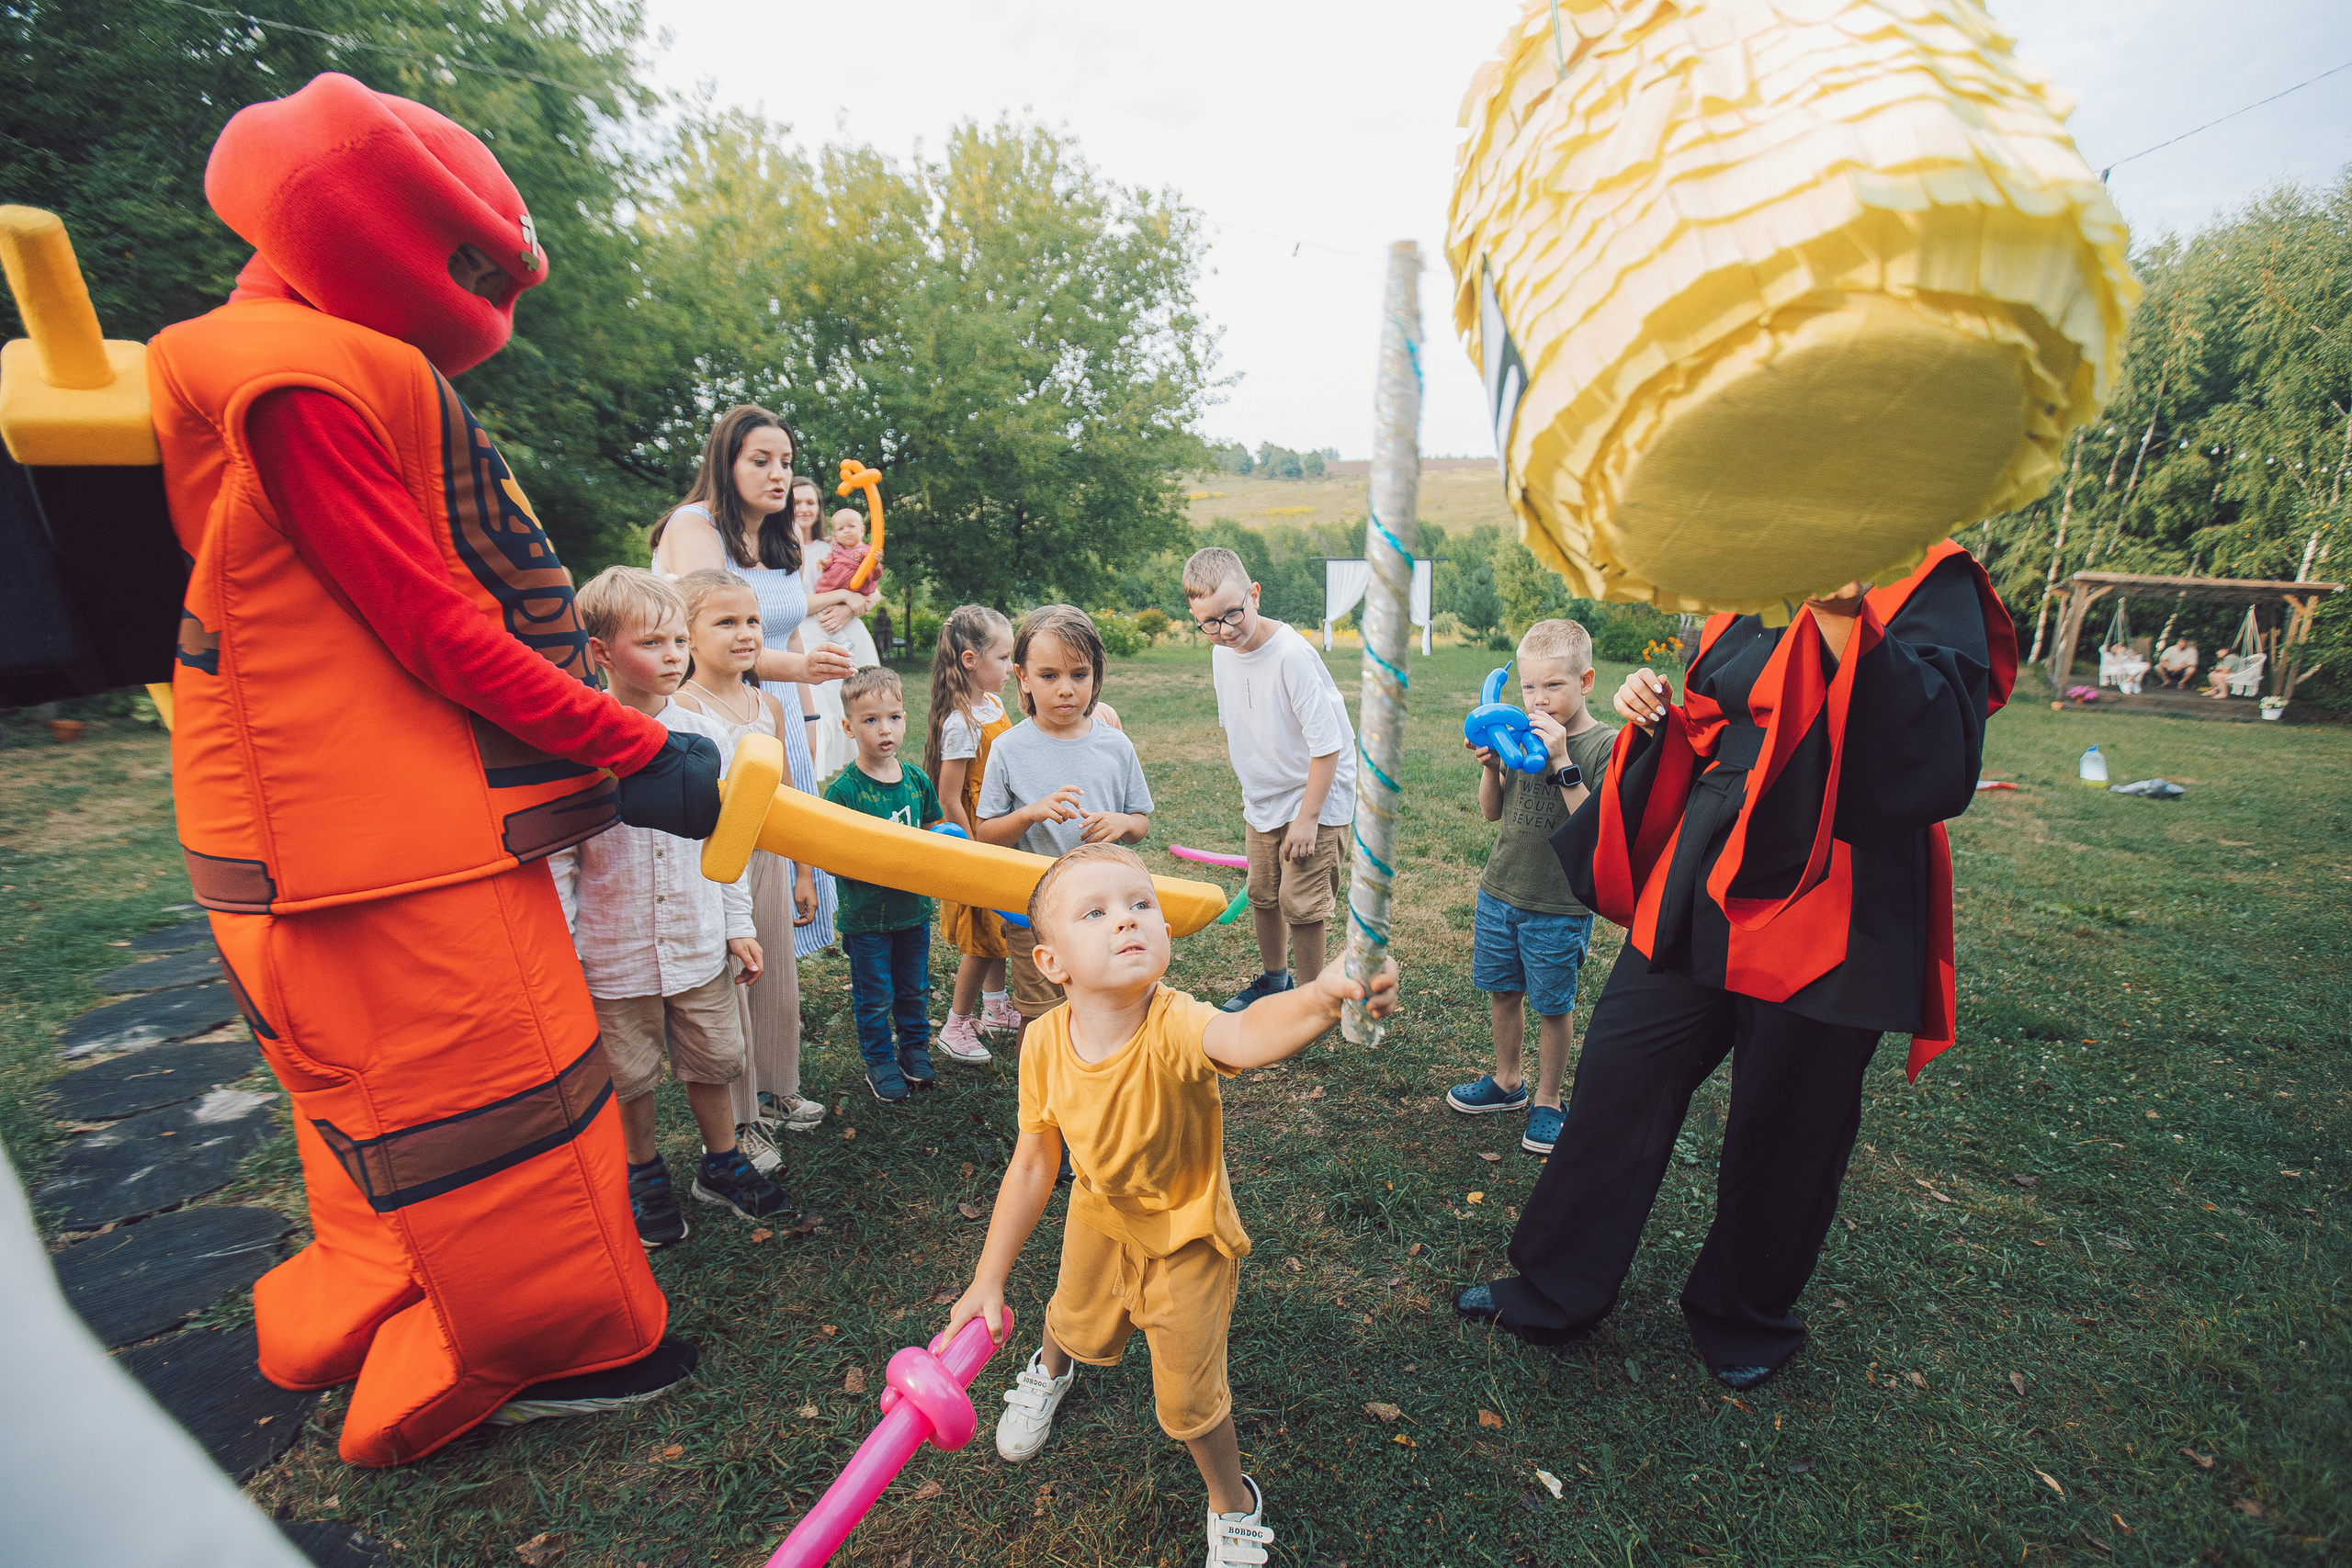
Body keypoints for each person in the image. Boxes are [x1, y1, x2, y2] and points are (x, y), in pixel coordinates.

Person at [151, 72, 703, 1465]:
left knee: (367, 1116)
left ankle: (370, 1292)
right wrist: (636, 744)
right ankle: (545, 1348)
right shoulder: (312, 377)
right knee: (501, 1110)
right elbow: (436, 627)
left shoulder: (226, 350)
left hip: (289, 832)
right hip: (388, 852)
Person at [1453, 540, 2015, 1393]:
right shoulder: (1749, 568)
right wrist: (1660, 710)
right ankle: (1555, 1282)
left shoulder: (1928, 573)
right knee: (1623, 1068)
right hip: (1708, 864)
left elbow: (1938, 746)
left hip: (1839, 878)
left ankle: (1742, 1309)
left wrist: (1841, 615)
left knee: (1791, 1112)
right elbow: (1729, 716)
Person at [944, 844, 1396, 1567]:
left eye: (1140, 904)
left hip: (1186, 1236)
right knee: (1069, 1312)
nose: (1126, 919)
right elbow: (1034, 1160)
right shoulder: (1040, 1043)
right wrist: (988, 1276)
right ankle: (1049, 1371)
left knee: (1190, 1401)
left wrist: (1319, 994)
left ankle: (1233, 1502)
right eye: (1096, 912)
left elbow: (1244, 1034)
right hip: (1096, 1213)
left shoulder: (1176, 1022)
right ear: (1053, 963)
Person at [549, 570, 793, 1245]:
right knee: (628, 1073)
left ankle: (720, 1163)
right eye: (650, 641)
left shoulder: (706, 738)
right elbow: (561, 858)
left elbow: (728, 840)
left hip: (696, 937)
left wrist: (738, 925)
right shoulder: (576, 743)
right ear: (600, 652)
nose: (672, 655)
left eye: (679, 639)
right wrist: (565, 948)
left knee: (714, 1058)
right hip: (612, 946)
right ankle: (644, 1168)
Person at [650, 412, 846, 957]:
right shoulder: (694, 527)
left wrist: (807, 720)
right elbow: (715, 636)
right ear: (725, 462)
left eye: (785, 463)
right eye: (760, 462)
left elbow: (789, 635)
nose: (778, 475)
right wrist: (801, 671)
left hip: (776, 708)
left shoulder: (782, 540)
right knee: (732, 849)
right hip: (714, 709)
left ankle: (772, 991)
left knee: (788, 838)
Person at [669, 569, 828, 1159]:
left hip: (769, 863)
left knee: (777, 978)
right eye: (726, 622)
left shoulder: (768, 704)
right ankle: (739, 1119)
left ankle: (776, 1088)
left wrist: (804, 870)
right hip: (717, 869)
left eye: (753, 621)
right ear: (686, 634)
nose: (745, 634)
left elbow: (784, 793)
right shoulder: (682, 708)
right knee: (734, 984)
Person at [1447, 619, 1617, 1156]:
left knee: (1552, 1005)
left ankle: (1547, 1100)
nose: (1538, 700)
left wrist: (1563, 761)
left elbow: (1596, 831)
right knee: (1503, 992)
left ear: (1585, 681)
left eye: (1554, 686)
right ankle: (1506, 1081)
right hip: (1501, 891)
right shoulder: (1518, 733)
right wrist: (1493, 768)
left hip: (1558, 905)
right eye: (1528, 687)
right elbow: (1493, 813)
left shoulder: (1602, 745)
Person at [1181, 547, 1357, 1013]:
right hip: (1264, 799)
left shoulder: (1291, 655)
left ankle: (1311, 1000)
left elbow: (1327, 746)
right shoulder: (1223, 655)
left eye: (1234, 612)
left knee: (1302, 903)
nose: (1225, 629)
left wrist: (1307, 820)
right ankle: (1276, 980)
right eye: (1209, 623)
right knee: (1263, 893)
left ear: (1254, 594)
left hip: (1315, 797)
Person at [976, 607, 1155, 1043]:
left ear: (1096, 675)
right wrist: (1028, 813)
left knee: (1116, 1008)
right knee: (1041, 1018)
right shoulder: (1008, 748)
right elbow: (985, 833)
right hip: (1036, 913)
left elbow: (1140, 822)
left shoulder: (1115, 745)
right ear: (1022, 677)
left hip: (1110, 911)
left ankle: (1108, 1088)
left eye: (1079, 674)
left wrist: (1121, 823)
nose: (1065, 690)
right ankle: (1038, 1106)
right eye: (1049, 676)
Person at [822, 666, 945, 1100]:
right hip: (866, 918)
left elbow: (935, 831)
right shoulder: (844, 793)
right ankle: (879, 1059)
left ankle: (914, 1050)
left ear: (906, 718)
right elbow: (830, 855)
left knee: (913, 987)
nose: (884, 729)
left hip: (913, 911)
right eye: (870, 720)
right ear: (849, 727)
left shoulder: (916, 781)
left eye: (893, 717)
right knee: (875, 995)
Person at [927, 605, 1023, 1065]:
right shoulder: (961, 721)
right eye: (1003, 659)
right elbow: (949, 797)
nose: (1010, 668)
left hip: (997, 833)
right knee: (979, 940)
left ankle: (995, 1008)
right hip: (975, 841)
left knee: (997, 926)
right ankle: (956, 1024)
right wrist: (972, 852)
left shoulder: (994, 706)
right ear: (971, 660)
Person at [792, 484, 884, 776]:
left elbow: (875, 593)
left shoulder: (834, 546)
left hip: (848, 633)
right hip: (807, 638)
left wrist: (851, 608)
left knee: (862, 702)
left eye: (810, 502)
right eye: (797, 503)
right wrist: (842, 597)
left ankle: (864, 773)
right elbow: (791, 604)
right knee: (826, 707)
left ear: (819, 508)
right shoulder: (778, 546)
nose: (804, 509)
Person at [814, 505, 883, 596]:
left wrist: (875, 565)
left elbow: (874, 577)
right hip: (831, 589)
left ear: (862, 531)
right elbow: (831, 563)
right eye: (841, 529)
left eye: (851, 526)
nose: (846, 531)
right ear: (835, 536)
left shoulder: (867, 552)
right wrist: (825, 563)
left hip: (854, 592)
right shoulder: (837, 549)